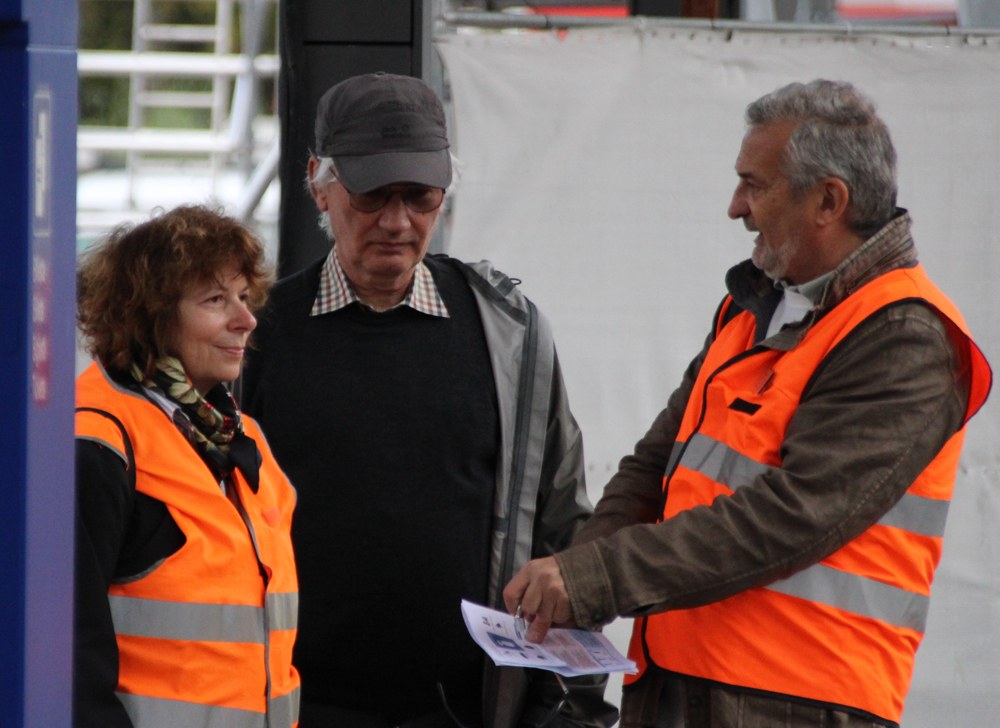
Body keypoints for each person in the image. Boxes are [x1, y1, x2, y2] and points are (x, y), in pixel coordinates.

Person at [504, 80, 992, 728]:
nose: (736, 206)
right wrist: (576, 575)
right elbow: (656, 465)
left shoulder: (906, 334)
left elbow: (791, 516)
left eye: (754, 185)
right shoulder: (753, 304)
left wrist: (596, 577)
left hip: (798, 707)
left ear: (828, 200)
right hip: (681, 691)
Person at [240, 73, 611, 728]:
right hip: (295, 706)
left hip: (464, 710)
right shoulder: (254, 335)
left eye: (420, 196)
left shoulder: (507, 330)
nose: (398, 220)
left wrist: (568, 704)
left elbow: (561, 522)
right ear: (318, 186)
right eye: (372, 195)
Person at [74, 206, 300, 728]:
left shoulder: (242, 437)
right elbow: (64, 659)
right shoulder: (97, 442)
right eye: (216, 300)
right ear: (152, 315)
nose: (246, 319)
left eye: (244, 297)